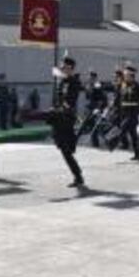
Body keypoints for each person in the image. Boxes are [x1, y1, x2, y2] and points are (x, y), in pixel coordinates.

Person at [47, 57, 85, 187]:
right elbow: (58, 98)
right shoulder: (62, 82)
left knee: (65, 149)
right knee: (64, 148)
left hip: (66, 118)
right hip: (59, 117)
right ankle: (78, 175)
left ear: (70, 68)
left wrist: (61, 107)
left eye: (64, 67)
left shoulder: (74, 82)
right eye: (61, 67)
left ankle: (78, 176)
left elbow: (70, 101)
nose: (61, 69)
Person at [109, 64, 139, 160]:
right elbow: (118, 98)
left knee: (123, 128)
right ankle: (138, 152)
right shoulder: (122, 85)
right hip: (123, 112)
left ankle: (112, 142)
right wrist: (113, 106)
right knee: (133, 134)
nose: (125, 77)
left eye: (127, 75)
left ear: (132, 75)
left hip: (133, 113)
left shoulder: (138, 86)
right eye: (124, 75)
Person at [84, 71, 109, 148]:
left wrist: (99, 108)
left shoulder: (97, 86)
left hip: (96, 108)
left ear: (95, 78)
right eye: (89, 77)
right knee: (91, 125)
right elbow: (88, 97)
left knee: (97, 126)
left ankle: (99, 142)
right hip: (90, 108)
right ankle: (95, 142)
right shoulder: (89, 86)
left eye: (91, 77)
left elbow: (103, 98)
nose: (90, 78)